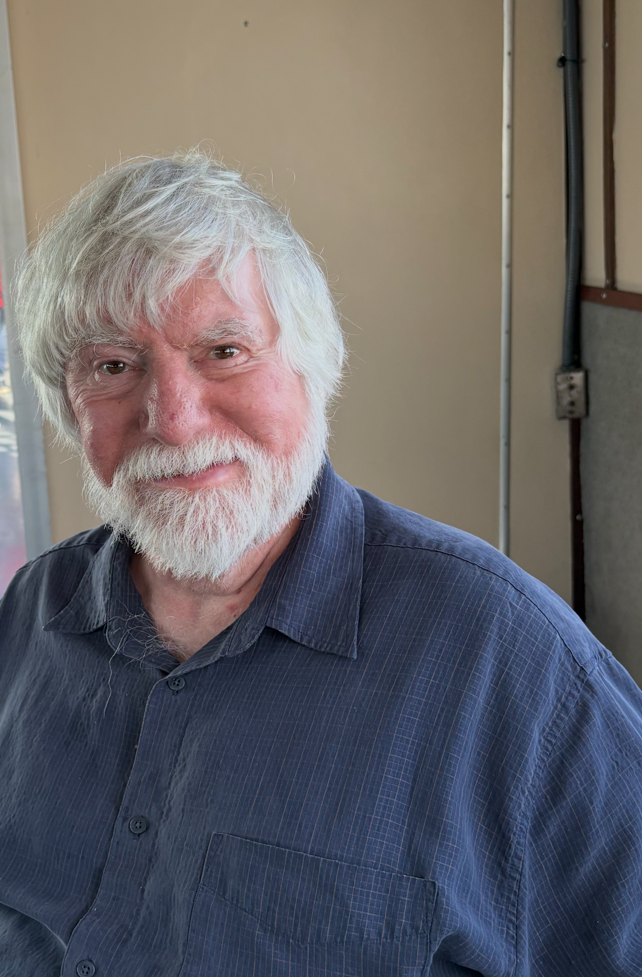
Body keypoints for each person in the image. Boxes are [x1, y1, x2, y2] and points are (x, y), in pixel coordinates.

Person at [0, 153, 640, 977]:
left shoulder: (514, 661)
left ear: (313, 366)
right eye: (114, 365)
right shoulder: (32, 609)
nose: (174, 419)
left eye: (223, 349)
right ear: (67, 403)